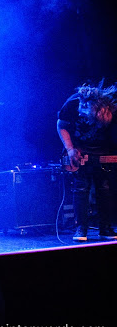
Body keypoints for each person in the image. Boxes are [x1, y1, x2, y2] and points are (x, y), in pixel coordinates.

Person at [57, 80, 117, 241]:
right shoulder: (72, 104)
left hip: (102, 150)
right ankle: (81, 228)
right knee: (81, 188)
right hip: (79, 150)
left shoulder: (112, 107)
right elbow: (61, 125)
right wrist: (70, 149)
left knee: (104, 188)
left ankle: (105, 228)